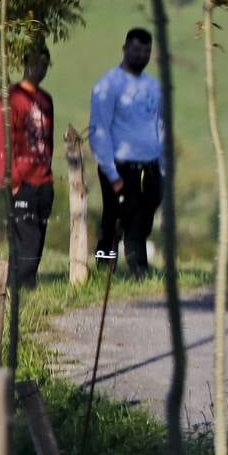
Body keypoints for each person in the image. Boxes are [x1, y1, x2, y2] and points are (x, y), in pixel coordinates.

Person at [89, 27, 164, 275]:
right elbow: (99, 130)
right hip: (120, 165)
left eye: (146, 51)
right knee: (116, 220)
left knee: (142, 219)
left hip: (150, 166)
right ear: (125, 49)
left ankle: (137, 265)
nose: (141, 55)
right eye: (136, 50)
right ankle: (109, 266)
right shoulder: (109, 85)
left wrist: (162, 167)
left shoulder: (153, 86)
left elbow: (160, 125)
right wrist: (112, 173)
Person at [0, 45, 54, 288]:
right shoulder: (11, 99)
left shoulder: (45, 99)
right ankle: (21, 289)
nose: (38, 69)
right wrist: (11, 180)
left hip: (43, 179)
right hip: (21, 180)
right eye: (34, 63)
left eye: (43, 64)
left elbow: (49, 137)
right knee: (26, 239)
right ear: (24, 64)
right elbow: (1, 144)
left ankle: (20, 286)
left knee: (37, 240)